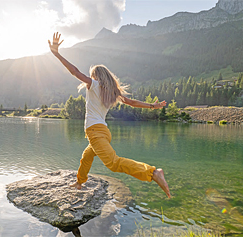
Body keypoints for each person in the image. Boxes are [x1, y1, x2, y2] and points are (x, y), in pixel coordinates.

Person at [48, 32, 171, 198]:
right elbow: (132, 102)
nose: (89, 78)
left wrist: (56, 54)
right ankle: (79, 182)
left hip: (95, 132)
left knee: (113, 163)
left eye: (91, 76)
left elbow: (74, 71)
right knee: (86, 157)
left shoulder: (94, 85)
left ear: (95, 76)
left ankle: (153, 173)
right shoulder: (112, 91)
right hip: (103, 132)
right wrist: (152, 106)